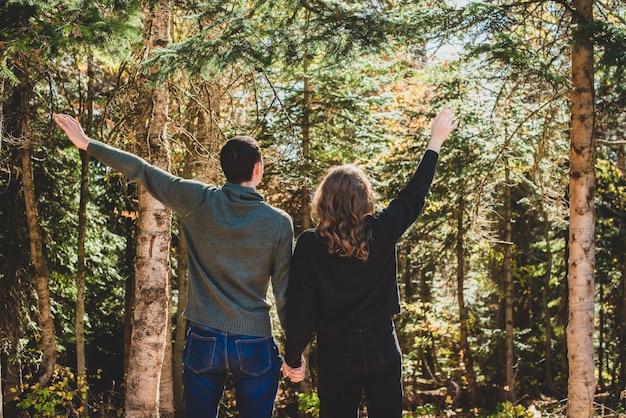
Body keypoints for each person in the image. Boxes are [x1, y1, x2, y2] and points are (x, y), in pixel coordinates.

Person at [52, 113, 294, 418]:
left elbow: (142, 170)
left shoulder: (197, 200)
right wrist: (295, 355)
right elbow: (285, 294)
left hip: (205, 338)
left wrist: (87, 143)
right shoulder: (278, 223)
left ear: (224, 170)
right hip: (255, 341)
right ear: (258, 169)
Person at [281, 107, 459, 417]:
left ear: (323, 200)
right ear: (364, 198)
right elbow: (414, 195)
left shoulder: (310, 243)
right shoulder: (382, 229)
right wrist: (435, 143)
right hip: (381, 345)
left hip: (337, 351)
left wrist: (294, 358)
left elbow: (302, 309)